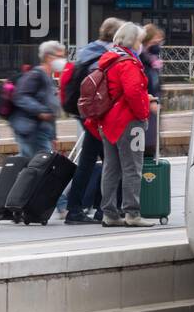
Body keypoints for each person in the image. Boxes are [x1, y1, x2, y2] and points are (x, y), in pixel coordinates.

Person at [61, 17, 122, 224]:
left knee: (89, 164)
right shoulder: (105, 58)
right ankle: (99, 209)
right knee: (111, 165)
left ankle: (77, 209)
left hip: (87, 116)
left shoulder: (87, 51)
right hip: (100, 118)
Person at [97, 22, 156, 228]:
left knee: (111, 168)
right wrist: (144, 114)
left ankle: (110, 213)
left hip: (108, 122)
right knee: (133, 168)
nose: (141, 44)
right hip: (129, 122)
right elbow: (132, 92)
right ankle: (132, 213)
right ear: (133, 41)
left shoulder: (108, 60)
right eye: (140, 40)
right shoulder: (129, 63)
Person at [9, 40, 66, 158]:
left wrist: (53, 136)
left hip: (41, 131)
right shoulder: (35, 75)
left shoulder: (48, 78)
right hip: (31, 130)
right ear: (48, 57)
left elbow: (51, 107)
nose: (63, 60)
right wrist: (40, 111)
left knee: (35, 165)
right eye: (60, 56)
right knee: (39, 166)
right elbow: (20, 96)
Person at [139, 23, 164, 160]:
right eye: (156, 39)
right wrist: (150, 100)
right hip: (147, 106)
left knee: (152, 142)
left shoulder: (152, 58)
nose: (159, 43)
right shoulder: (142, 58)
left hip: (154, 105)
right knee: (147, 144)